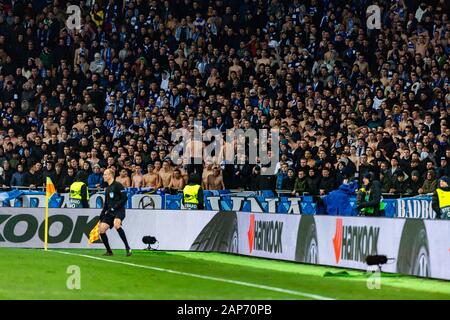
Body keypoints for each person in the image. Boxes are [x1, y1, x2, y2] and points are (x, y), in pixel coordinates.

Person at [98, 169, 131, 256]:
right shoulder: (108, 188)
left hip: (119, 211)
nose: (103, 176)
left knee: (117, 224)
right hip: (110, 212)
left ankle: (127, 247)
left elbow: (124, 198)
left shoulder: (118, 185)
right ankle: (109, 251)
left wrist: (114, 207)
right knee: (101, 229)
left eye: (105, 174)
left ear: (110, 175)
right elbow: (106, 203)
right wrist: (102, 214)